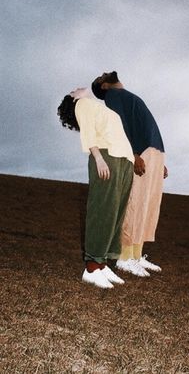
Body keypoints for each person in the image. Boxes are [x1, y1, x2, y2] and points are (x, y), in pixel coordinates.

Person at [91, 72, 168, 277]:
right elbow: (120, 125)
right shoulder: (112, 96)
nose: (103, 74)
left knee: (147, 207)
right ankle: (124, 257)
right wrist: (134, 154)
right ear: (104, 86)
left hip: (153, 151)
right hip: (141, 152)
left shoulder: (123, 94)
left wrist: (160, 161)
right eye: (101, 77)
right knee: (135, 205)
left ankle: (136, 255)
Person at [57, 87, 134, 288]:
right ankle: (92, 267)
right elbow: (89, 132)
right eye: (72, 90)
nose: (76, 88)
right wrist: (98, 157)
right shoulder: (82, 104)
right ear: (72, 99)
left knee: (116, 212)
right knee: (103, 210)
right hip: (106, 157)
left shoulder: (97, 105)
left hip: (123, 159)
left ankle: (103, 263)